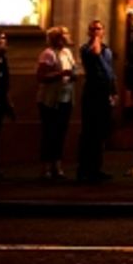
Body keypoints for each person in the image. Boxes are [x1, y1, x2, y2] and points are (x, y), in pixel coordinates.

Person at [36, 25, 77, 180]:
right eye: (66, 34)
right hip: (49, 100)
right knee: (49, 132)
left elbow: (72, 70)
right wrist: (60, 74)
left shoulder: (67, 53)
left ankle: (57, 164)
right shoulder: (48, 54)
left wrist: (72, 76)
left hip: (65, 97)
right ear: (58, 37)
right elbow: (40, 76)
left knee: (61, 132)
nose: (68, 36)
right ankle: (46, 166)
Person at [77, 19, 116, 183]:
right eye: (93, 29)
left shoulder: (107, 50)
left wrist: (114, 92)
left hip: (105, 93)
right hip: (92, 93)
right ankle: (85, 170)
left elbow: (110, 72)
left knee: (100, 133)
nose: (96, 31)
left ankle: (96, 168)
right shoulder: (86, 49)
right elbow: (95, 52)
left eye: (99, 29)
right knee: (89, 133)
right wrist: (96, 39)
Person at [0, 31, 15, 178]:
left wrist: (8, 100)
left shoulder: (3, 58)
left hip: (0, 99)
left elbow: (5, 81)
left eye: (4, 39)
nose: (3, 42)